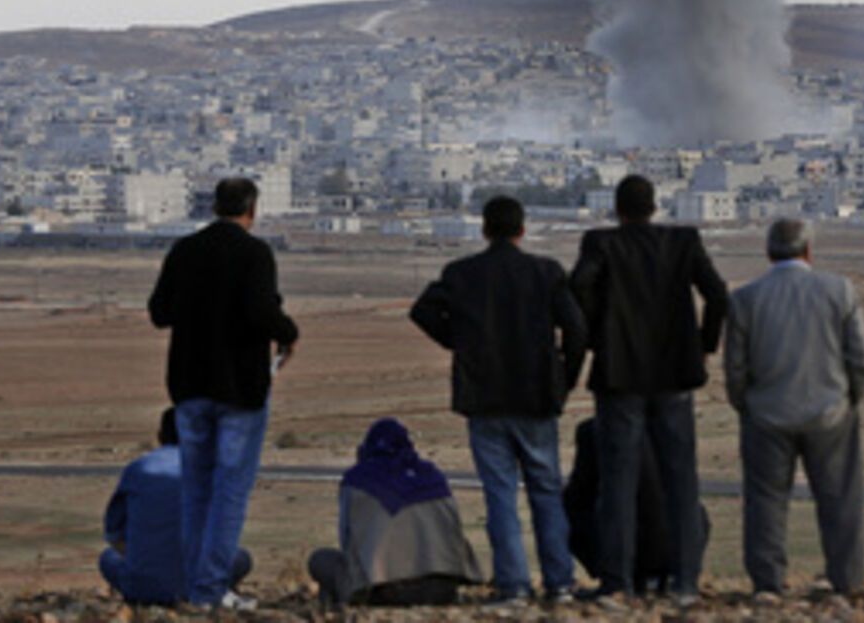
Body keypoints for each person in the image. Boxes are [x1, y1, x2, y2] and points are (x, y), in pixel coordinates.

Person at [410, 196, 587, 606]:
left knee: (500, 494)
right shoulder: (545, 272)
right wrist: (565, 381)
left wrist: (460, 343)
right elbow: (576, 330)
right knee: (546, 490)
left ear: (484, 230)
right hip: (537, 398)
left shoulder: (462, 274)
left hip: (485, 398)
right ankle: (560, 583)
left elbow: (422, 311)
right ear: (522, 230)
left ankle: (514, 586)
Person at [569, 174, 728, 608]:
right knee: (682, 480)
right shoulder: (683, 242)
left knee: (618, 483)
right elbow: (717, 294)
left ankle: (615, 583)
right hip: (675, 375)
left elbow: (579, 285)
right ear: (654, 206)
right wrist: (704, 344)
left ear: (618, 209)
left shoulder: (601, 244)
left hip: (620, 376)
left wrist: (595, 332)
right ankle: (685, 584)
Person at [148, 176, 299, 611]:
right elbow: (260, 310)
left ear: (214, 207)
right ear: (251, 210)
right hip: (241, 388)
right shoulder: (255, 253)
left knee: (196, 490)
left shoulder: (185, 251)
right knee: (229, 491)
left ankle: (199, 586)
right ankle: (210, 589)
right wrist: (288, 332)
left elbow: (161, 313)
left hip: (189, 385)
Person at [724, 219, 864, 599]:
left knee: (766, 501)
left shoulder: (746, 298)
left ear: (768, 252)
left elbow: (735, 366)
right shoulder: (838, 290)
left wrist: (745, 404)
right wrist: (851, 397)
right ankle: (847, 580)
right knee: (840, 497)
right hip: (830, 413)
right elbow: (861, 356)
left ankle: (767, 583)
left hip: (766, 414)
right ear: (808, 251)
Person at [307, 418, 483, 607]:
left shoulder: (357, 480)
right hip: (443, 590)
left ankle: (335, 606)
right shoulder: (433, 477)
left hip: (386, 593)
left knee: (319, 560)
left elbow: (348, 540)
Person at [99, 408, 252, 605]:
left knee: (107, 558)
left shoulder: (138, 469)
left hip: (142, 588)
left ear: (160, 436)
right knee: (242, 559)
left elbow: (114, 534)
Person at [561, 416, 711, 595]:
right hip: (676, 547)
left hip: (626, 547)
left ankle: (616, 579)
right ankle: (680, 578)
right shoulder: (673, 428)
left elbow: (577, 495)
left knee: (567, 511)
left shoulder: (593, 430)